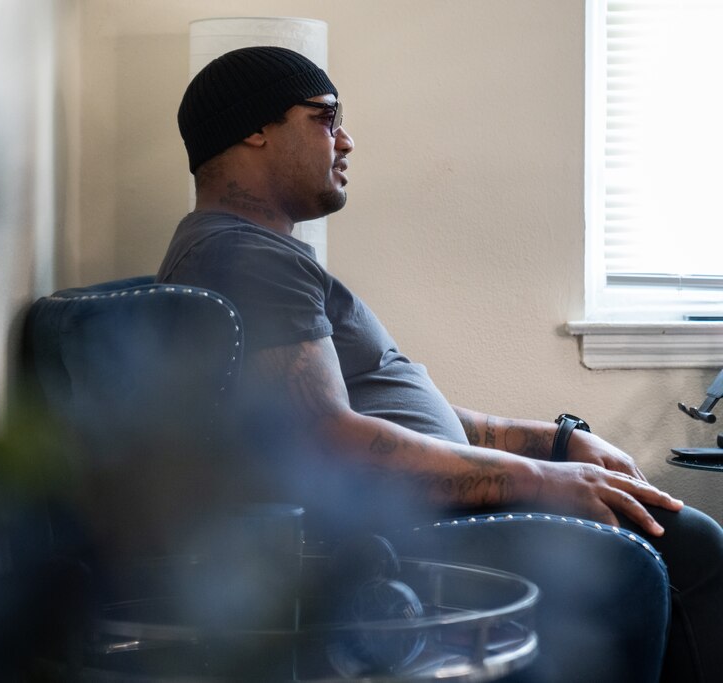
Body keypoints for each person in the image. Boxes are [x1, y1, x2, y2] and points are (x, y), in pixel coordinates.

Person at [156, 45, 723, 682]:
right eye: (325, 117)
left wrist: (558, 442)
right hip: (387, 538)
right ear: (254, 130)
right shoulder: (245, 260)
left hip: (412, 519)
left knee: (679, 531)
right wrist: (543, 479)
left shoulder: (247, 254)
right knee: (689, 545)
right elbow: (330, 443)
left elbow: (384, 410)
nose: (346, 140)